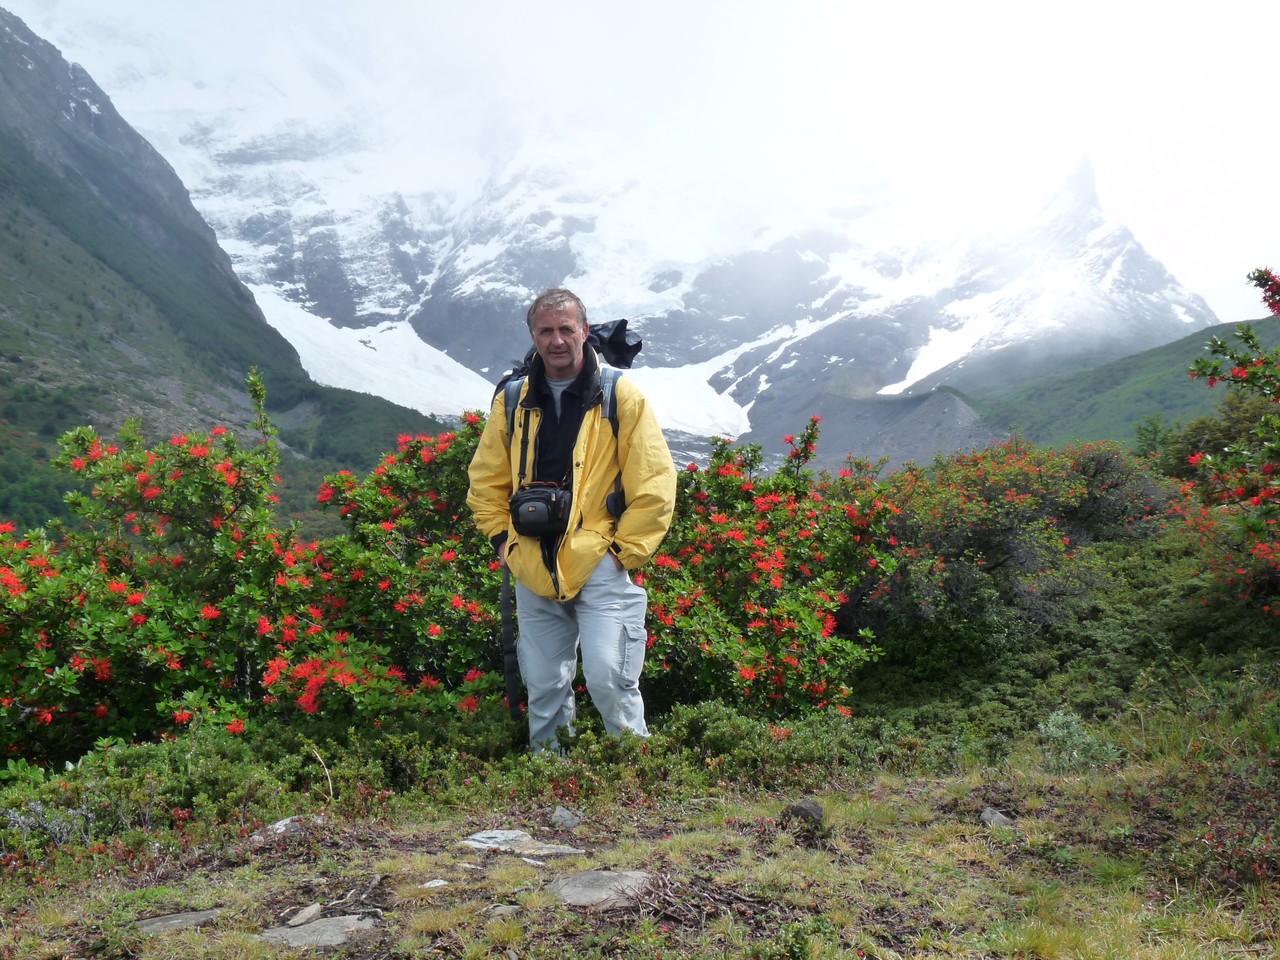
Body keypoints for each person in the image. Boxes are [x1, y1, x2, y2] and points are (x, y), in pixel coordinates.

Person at [467, 288, 677, 750]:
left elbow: (655, 481)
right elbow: (485, 481)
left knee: (609, 679)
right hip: (531, 563)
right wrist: (504, 543)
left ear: (584, 330)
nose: (557, 340)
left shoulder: (619, 395)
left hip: (600, 559)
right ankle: (549, 781)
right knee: (544, 688)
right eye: (546, 331)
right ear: (533, 336)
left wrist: (622, 554)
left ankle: (636, 776)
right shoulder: (512, 399)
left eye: (566, 329)